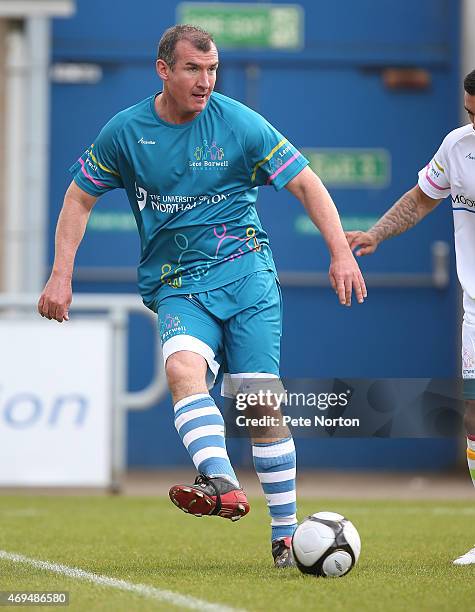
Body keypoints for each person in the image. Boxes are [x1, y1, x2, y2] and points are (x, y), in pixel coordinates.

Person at [38, 24, 366, 567]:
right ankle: (220, 479)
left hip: (246, 278)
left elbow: (307, 182)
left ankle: (285, 538)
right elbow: (78, 198)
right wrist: (61, 274)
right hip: (178, 284)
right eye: (193, 69)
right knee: (182, 368)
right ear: (163, 70)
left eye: (212, 70)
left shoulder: (238, 123)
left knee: (261, 406)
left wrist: (340, 252)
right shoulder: (126, 132)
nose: (205, 81)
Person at [346, 69, 475, 566]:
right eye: (470, 112)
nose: (474, 121)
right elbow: (422, 198)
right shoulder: (457, 147)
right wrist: (378, 233)